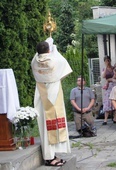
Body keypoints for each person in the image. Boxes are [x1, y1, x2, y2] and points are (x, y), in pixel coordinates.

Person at [31, 37, 72, 167]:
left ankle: (51, 155)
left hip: (41, 97)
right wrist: (53, 45)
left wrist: (48, 44)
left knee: (45, 126)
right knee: (53, 125)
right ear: (49, 50)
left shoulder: (34, 62)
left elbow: (39, 53)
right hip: (53, 95)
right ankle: (49, 157)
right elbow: (63, 63)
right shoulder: (55, 60)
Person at [102, 57, 116, 125]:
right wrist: (106, 67)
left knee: (115, 101)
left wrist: (110, 79)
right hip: (109, 87)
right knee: (107, 101)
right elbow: (103, 76)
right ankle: (105, 119)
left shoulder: (114, 68)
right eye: (106, 61)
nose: (108, 62)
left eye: (109, 60)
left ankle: (115, 118)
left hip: (115, 85)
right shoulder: (104, 69)